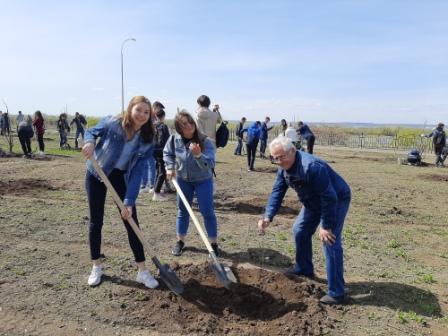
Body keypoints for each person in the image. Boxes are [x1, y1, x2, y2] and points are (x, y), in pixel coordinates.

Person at [258, 136, 351, 305]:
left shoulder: (311, 167)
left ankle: (337, 292)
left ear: (293, 151)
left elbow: (329, 197)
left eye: (282, 156)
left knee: (329, 240)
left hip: (336, 198)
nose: (279, 161)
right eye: (275, 158)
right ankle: (304, 269)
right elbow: (277, 191)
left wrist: (326, 226)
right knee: (300, 230)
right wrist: (268, 216)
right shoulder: (283, 167)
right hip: (312, 200)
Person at [81, 95, 159, 289]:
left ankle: (142, 270)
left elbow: (138, 171)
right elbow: (91, 131)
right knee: (96, 221)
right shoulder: (113, 122)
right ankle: (96, 266)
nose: (142, 115)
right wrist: (89, 142)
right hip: (97, 171)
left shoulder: (147, 139)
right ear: (130, 108)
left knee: (131, 221)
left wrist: (129, 200)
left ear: (150, 115)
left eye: (146, 112)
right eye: (138, 110)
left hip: (120, 177)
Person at [164, 109, 219, 257]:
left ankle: (213, 244)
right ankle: (180, 241)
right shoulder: (174, 139)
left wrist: (198, 155)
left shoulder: (205, 141)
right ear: (178, 128)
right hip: (183, 180)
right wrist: (170, 167)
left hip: (203, 180)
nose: (188, 125)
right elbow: (167, 153)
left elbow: (210, 165)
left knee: (207, 211)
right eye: (184, 124)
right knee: (182, 210)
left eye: (190, 122)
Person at [152, 106, 171, 201]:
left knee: (158, 171)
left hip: (154, 151)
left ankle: (155, 189)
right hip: (162, 151)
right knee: (162, 173)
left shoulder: (153, 126)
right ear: (163, 116)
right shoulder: (163, 126)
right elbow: (167, 140)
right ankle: (156, 193)